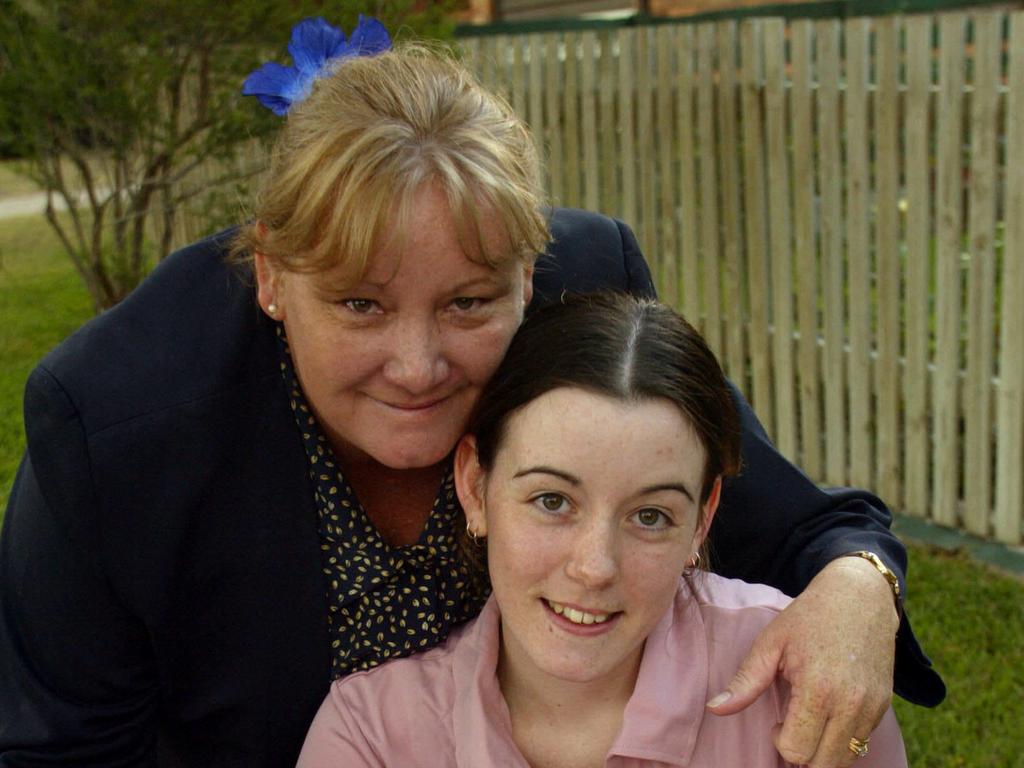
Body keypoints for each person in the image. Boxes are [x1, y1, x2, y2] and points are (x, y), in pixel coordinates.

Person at [0, 17, 941, 768]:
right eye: (361, 304)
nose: (417, 366)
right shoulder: (114, 421)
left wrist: (863, 589)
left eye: (469, 303)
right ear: (274, 279)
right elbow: (62, 746)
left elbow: (796, 525)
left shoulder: (588, 289)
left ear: (533, 278)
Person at [296, 292, 909, 768]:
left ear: (703, 518)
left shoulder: (811, 679)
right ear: (475, 488)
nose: (595, 567)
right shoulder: (370, 733)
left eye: (650, 516)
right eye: (552, 500)